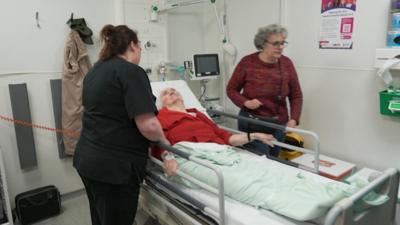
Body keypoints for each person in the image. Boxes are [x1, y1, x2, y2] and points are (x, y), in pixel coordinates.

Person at [73, 25, 170, 225]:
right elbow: (149, 126)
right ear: (132, 45)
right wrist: (164, 141)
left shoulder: (95, 71)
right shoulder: (131, 72)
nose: (141, 50)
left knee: (101, 218)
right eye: (140, 45)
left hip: (87, 160)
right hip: (114, 170)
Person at [226, 24, 303, 158]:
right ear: (262, 44)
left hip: (278, 124)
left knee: (274, 160)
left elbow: (296, 95)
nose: (280, 47)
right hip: (252, 124)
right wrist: (246, 103)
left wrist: (294, 119)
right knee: (260, 162)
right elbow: (231, 90)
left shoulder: (287, 63)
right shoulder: (247, 62)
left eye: (283, 43)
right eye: (276, 43)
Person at [152, 87, 276, 167]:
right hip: (196, 159)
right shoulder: (161, 117)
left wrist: (254, 135)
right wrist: (167, 158)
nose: (172, 92)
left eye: (174, 90)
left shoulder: (197, 114)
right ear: (161, 105)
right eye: (166, 94)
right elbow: (159, 143)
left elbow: (224, 136)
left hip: (222, 152)